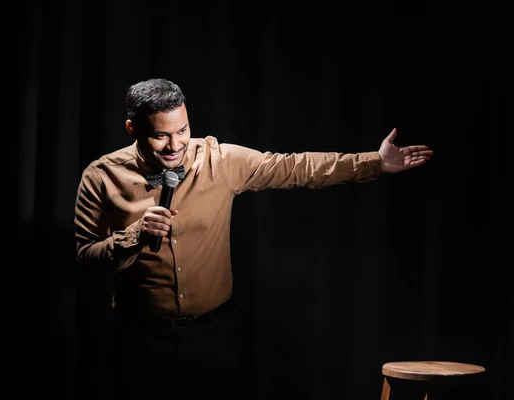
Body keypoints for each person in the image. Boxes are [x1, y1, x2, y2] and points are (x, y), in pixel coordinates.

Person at [73, 78, 433, 399]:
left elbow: (295, 167)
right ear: (132, 128)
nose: (175, 144)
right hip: (140, 340)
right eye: (160, 135)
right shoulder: (102, 176)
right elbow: (86, 257)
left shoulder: (219, 160)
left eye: (182, 130)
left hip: (213, 337)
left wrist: (374, 162)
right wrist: (134, 236)